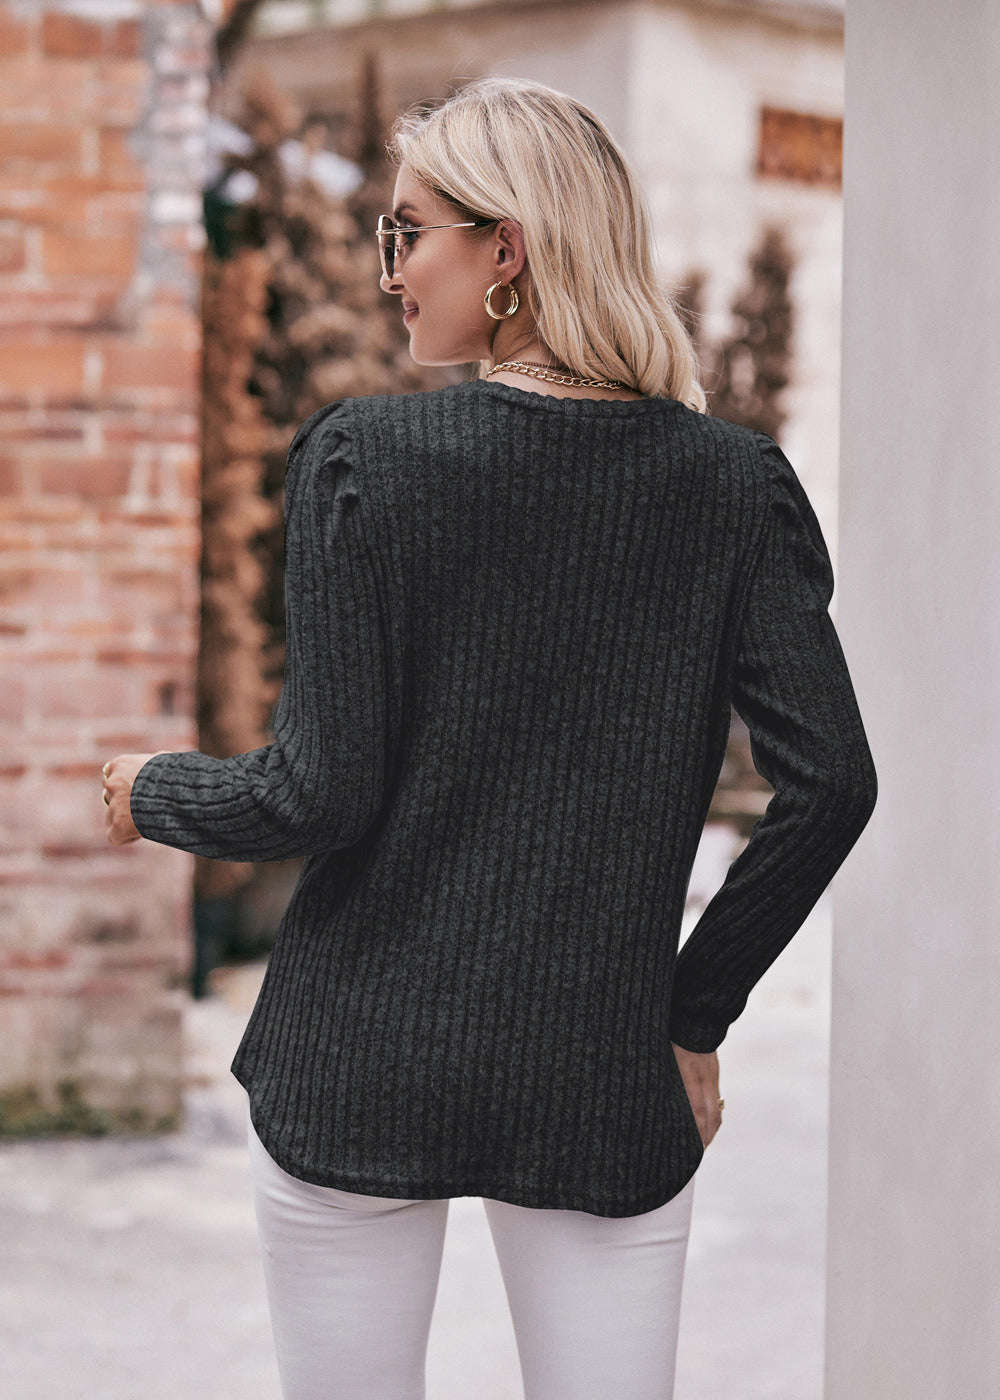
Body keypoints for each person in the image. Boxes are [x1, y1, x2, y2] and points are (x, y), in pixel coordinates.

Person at [101, 77, 878, 1400]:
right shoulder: (733, 488)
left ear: (505, 247)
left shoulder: (366, 460)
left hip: (357, 1066)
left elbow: (315, 794)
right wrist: (690, 1020)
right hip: (600, 1076)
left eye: (409, 233)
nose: (389, 270)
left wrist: (150, 791)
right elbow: (832, 788)